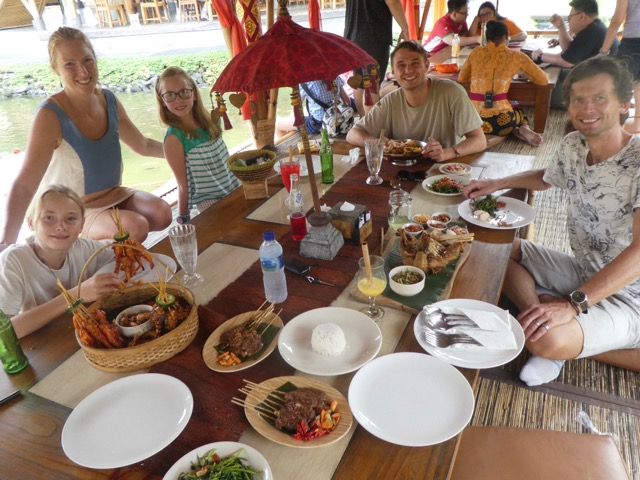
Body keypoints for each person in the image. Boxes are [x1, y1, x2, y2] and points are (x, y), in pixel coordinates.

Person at [463, 56, 640, 386]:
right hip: (585, 271)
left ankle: (558, 339)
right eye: (578, 99)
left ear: (624, 103)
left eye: (599, 97)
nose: (587, 108)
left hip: (632, 298)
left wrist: (572, 305)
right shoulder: (574, 145)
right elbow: (547, 177)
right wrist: (495, 183)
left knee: (546, 341)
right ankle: (542, 311)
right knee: (491, 247)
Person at [0, 27, 172, 252]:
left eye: (87, 60)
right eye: (69, 64)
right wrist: (7, 242)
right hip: (71, 208)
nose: (82, 71)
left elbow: (143, 144)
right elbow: (24, 184)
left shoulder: (108, 100)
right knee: (134, 227)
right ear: (55, 68)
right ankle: (74, 252)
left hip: (114, 194)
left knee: (162, 213)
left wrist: (185, 151)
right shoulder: (49, 115)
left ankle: (98, 249)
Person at [0, 185, 120, 338]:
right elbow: (4, 332)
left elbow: (119, 253)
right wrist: (74, 295)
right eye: (49, 217)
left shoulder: (82, 248)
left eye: (71, 219)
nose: (61, 226)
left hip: (76, 334)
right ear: (31, 223)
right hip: (38, 344)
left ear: (81, 225)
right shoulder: (13, 261)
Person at [346, 40, 486, 162]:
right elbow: (353, 134)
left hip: (442, 170)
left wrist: (445, 153)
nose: (408, 70)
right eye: (401, 65)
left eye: (415, 63)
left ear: (426, 66)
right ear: (393, 72)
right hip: (400, 171)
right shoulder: (390, 101)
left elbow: (479, 140)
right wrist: (376, 143)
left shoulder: (451, 92)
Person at [155, 67, 240, 224]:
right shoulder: (174, 138)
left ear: (194, 94)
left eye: (184, 92)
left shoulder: (211, 119)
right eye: (170, 95)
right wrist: (184, 216)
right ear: (163, 101)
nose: (178, 100)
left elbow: (224, 162)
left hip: (234, 186)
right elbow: (183, 184)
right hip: (209, 200)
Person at [458, 21, 548, 146]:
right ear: (506, 36)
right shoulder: (516, 56)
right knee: (519, 112)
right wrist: (526, 75)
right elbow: (543, 80)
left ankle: (512, 132)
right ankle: (521, 128)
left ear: (486, 37)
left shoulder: (476, 52)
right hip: (503, 122)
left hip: (473, 122)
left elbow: (462, 78)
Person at [531, 0, 618, 108]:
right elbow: (569, 51)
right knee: (551, 73)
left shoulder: (591, 32)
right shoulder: (594, 27)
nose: (568, 20)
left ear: (581, 16)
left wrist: (540, 56)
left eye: (570, 17)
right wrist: (561, 27)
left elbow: (566, 61)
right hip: (594, 78)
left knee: (542, 92)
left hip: (599, 87)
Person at [344, 0, 410, 116]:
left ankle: (363, 121)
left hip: (352, 34)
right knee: (372, 84)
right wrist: (405, 28)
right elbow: (392, 1)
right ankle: (372, 124)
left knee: (360, 82)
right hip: (373, 33)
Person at [600, 0, 640, 133]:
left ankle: (615, 128)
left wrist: (604, 51)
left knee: (619, 85)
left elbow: (617, 20)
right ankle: (637, 124)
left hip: (633, 41)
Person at [274, 77, 351, 140]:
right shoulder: (335, 76)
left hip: (319, 124)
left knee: (278, 125)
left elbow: (297, 108)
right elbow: (347, 102)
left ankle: (292, 149)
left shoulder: (306, 82)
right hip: (339, 120)